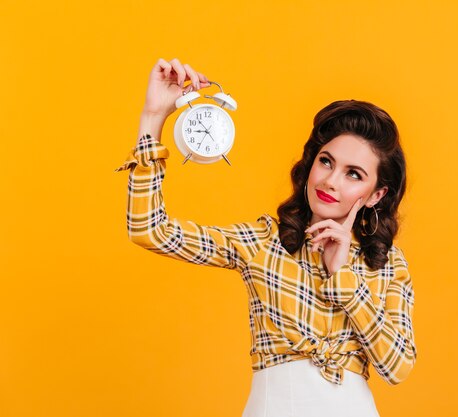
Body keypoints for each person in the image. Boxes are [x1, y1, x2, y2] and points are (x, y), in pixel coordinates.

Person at [115, 58, 417, 417]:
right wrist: (153, 118)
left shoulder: (386, 264)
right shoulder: (263, 241)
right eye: (326, 161)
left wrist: (344, 277)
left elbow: (396, 367)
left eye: (353, 174)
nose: (331, 181)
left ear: (375, 195)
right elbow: (150, 230)